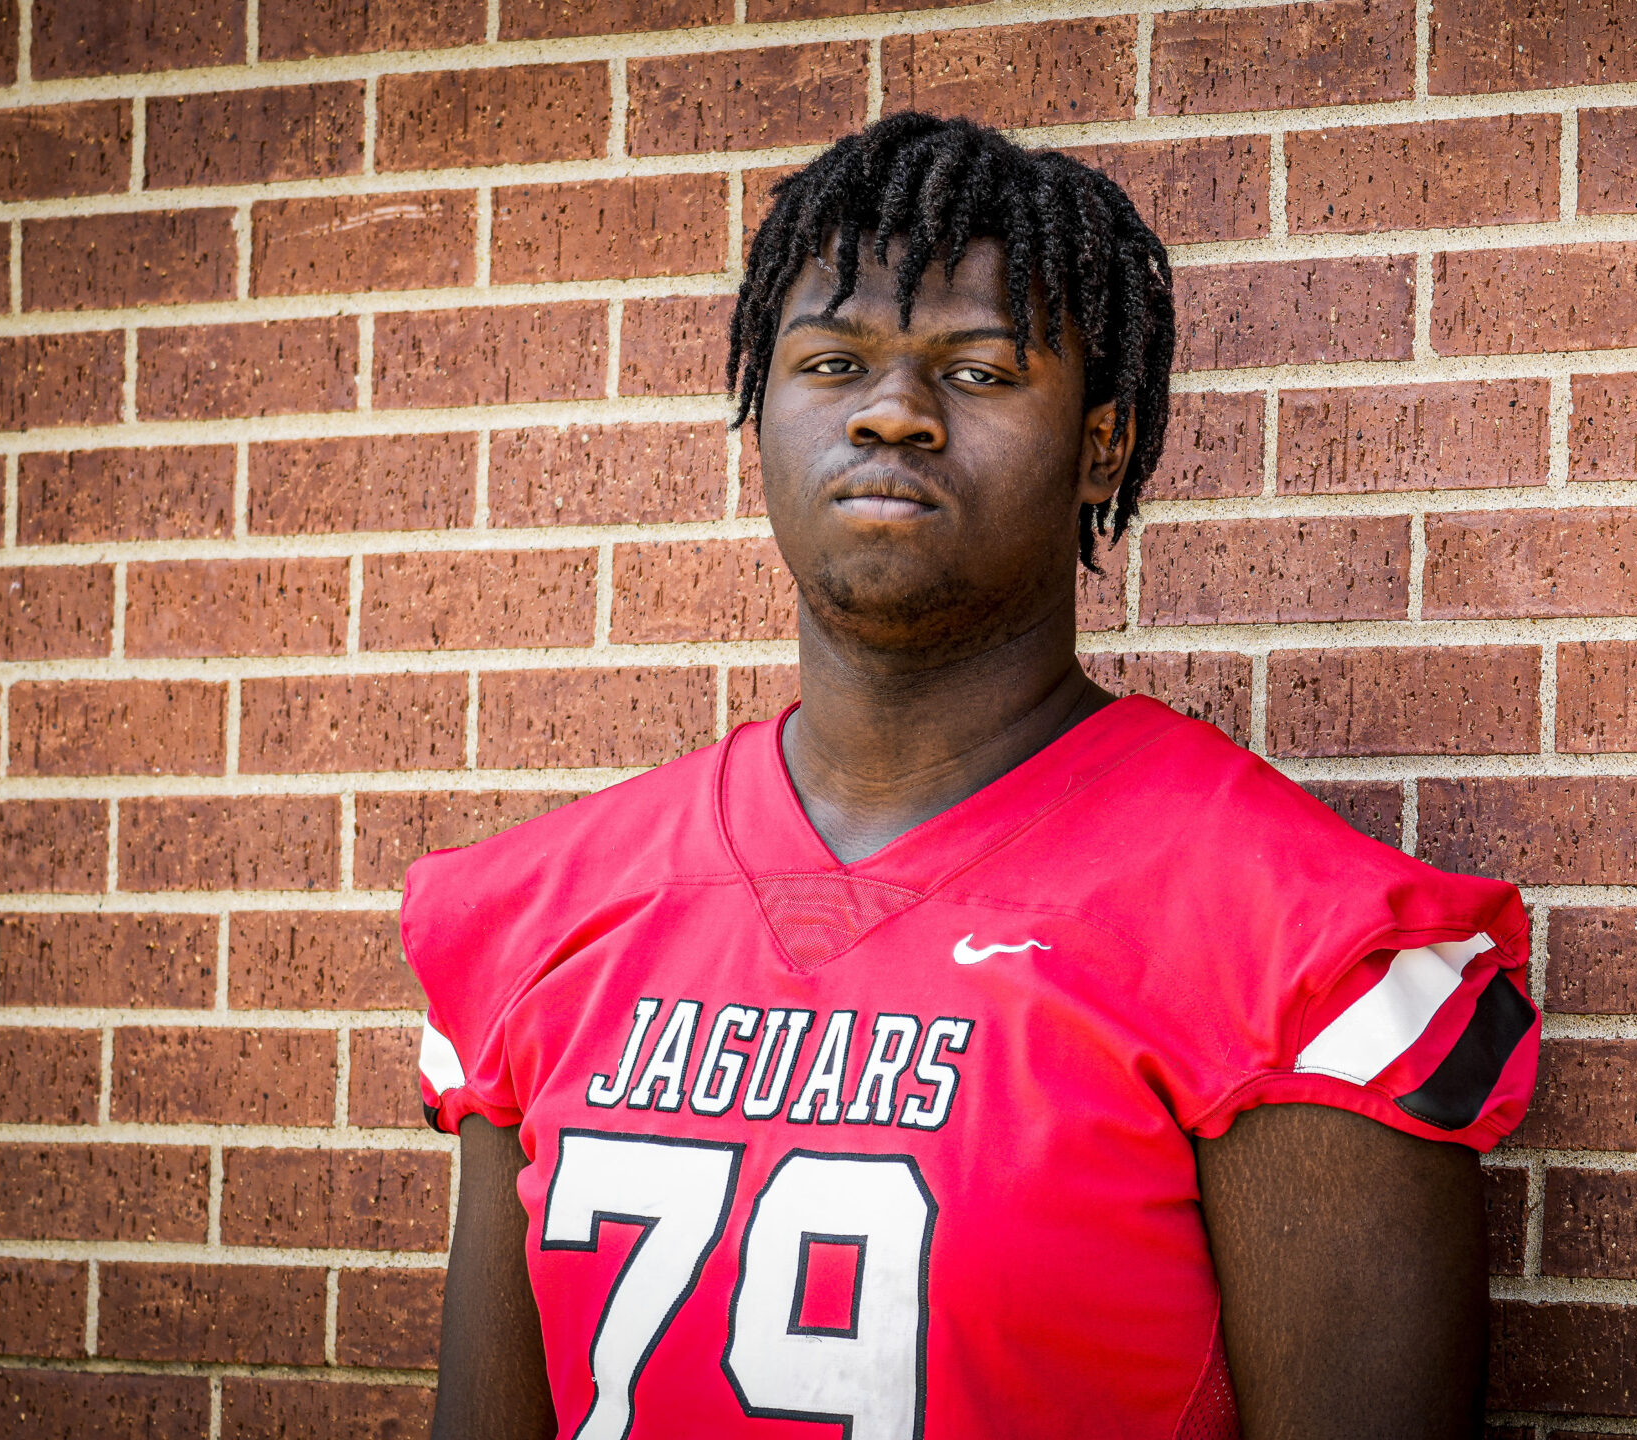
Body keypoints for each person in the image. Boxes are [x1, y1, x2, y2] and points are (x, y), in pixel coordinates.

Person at [411, 111, 1539, 1440]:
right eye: (833, 362)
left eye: (982, 373)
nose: (894, 412)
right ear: (760, 412)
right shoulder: (544, 911)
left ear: (1104, 448)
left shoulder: (1288, 939)